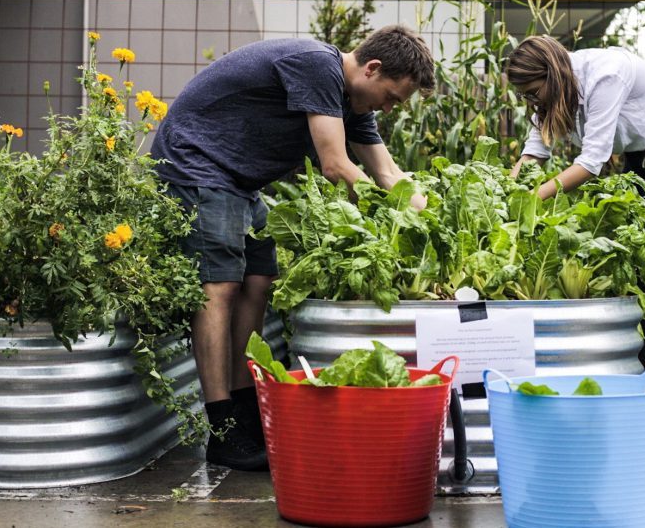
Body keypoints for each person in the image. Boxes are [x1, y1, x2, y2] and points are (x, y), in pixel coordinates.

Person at [151, 25, 434, 470]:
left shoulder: (353, 101)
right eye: (392, 97)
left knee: (259, 280)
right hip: (197, 163)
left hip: (240, 181)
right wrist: (390, 214)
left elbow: (389, 174)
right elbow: (336, 164)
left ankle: (247, 412)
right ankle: (222, 429)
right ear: (372, 68)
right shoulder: (317, 65)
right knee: (219, 286)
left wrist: (432, 221)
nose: (390, 108)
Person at [505, 35, 645, 369]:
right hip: (641, 156)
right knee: (632, 253)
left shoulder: (604, 75)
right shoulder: (552, 94)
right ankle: (631, 353)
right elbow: (534, 152)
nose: (532, 102)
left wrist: (531, 198)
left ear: (552, 76)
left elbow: (590, 163)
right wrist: (507, 193)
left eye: (533, 92)